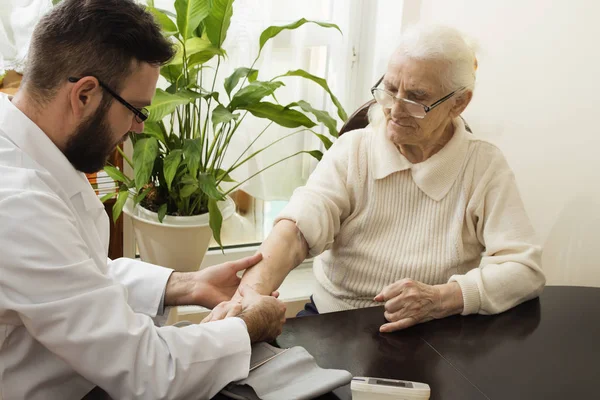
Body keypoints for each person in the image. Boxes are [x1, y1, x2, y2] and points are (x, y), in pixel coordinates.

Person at [0, 1, 286, 399]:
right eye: (137, 110)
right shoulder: (16, 204)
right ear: (84, 95)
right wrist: (247, 326)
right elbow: (149, 371)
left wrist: (185, 284)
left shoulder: (28, 148)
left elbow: (76, 274)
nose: (138, 127)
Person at [204, 24, 546, 332]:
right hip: (335, 322)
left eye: (416, 98)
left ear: (459, 104)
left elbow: (523, 269)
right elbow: (296, 229)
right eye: (389, 89)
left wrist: (444, 298)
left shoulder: (483, 165)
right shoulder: (354, 150)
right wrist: (249, 296)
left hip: (436, 332)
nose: (394, 111)